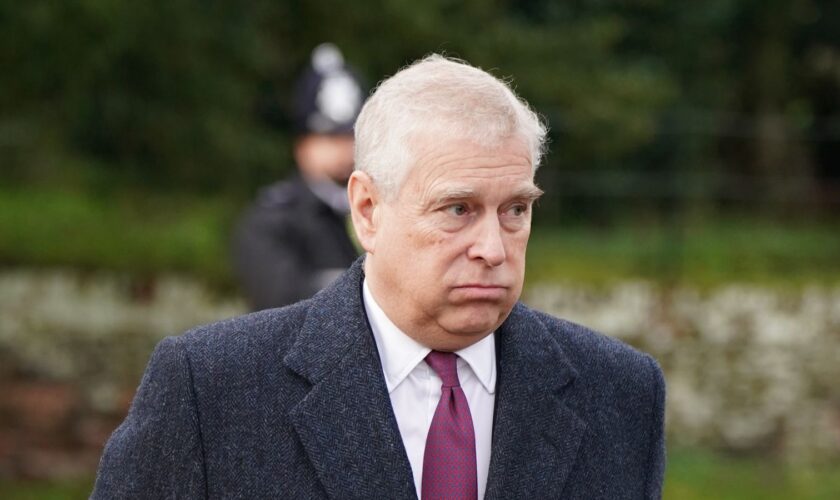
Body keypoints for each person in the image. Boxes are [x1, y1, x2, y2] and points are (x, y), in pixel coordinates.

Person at [93, 55, 666, 499]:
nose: (493, 248)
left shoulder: (620, 394)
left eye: (515, 210)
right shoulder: (211, 389)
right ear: (367, 210)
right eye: (457, 209)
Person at [231, 43, 363, 310]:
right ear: (302, 145)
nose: (343, 149)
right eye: (329, 137)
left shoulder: (382, 212)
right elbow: (281, 303)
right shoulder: (270, 221)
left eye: (349, 136)